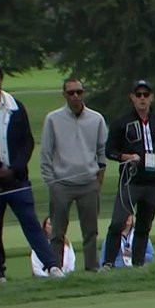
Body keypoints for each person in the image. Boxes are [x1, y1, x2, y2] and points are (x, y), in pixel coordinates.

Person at [0, 62, 64, 282]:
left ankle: (52, 266)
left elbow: (26, 142)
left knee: (31, 224)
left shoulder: (15, 107)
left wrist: (14, 168)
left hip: (16, 179)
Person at [102, 80, 155, 270]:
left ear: (152, 97)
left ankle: (138, 264)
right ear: (132, 97)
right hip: (130, 181)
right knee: (118, 222)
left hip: (152, 182)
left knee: (144, 225)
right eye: (138, 94)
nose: (142, 98)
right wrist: (126, 157)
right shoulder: (122, 123)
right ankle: (108, 263)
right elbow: (110, 151)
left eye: (146, 95)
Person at [40, 77, 107, 273]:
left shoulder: (96, 119)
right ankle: (56, 269)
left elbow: (102, 150)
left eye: (79, 92)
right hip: (62, 184)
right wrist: (51, 183)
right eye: (71, 93)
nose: (76, 96)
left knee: (91, 230)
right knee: (57, 231)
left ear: (84, 93)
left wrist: (99, 179)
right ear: (64, 95)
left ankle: (92, 267)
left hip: (89, 182)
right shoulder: (53, 119)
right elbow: (46, 153)